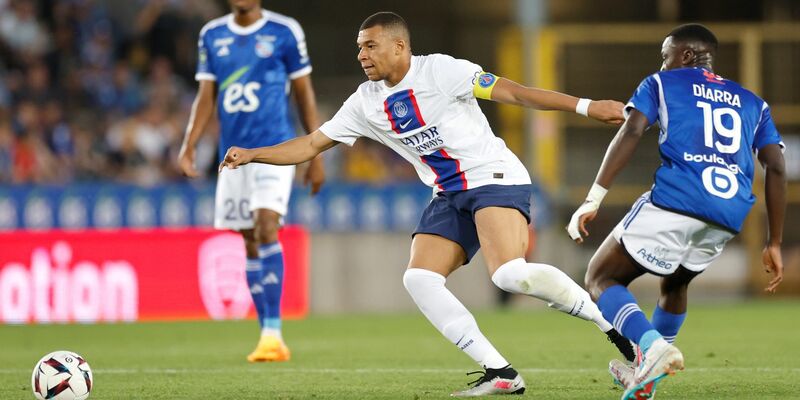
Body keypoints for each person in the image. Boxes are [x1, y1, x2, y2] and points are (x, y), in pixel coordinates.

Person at [220, 11, 633, 396]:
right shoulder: (364, 102)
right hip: (448, 194)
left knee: (508, 275)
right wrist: (253, 153)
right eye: (359, 47)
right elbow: (312, 143)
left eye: (370, 45)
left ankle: (608, 323)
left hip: (493, 177)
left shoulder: (442, 70)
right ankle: (500, 373)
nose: (361, 54)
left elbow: (516, 93)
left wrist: (587, 106)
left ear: (400, 47)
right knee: (418, 279)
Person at [567, 23, 786, 400]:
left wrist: (593, 197)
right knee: (676, 283)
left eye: (665, 56)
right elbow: (777, 167)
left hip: (679, 200)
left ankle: (653, 348)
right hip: (728, 213)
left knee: (600, 278)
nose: (662, 63)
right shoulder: (754, 102)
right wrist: (775, 241)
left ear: (684, 55)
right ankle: (645, 380)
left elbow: (631, 131)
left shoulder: (660, 83)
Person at [178, 0, 325, 363]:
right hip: (233, 155)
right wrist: (190, 143)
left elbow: (304, 91)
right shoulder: (212, 35)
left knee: (265, 226)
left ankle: (273, 333)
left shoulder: (285, 30)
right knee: (249, 240)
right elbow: (206, 95)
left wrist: (315, 153)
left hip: (274, 149)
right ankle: (266, 335)